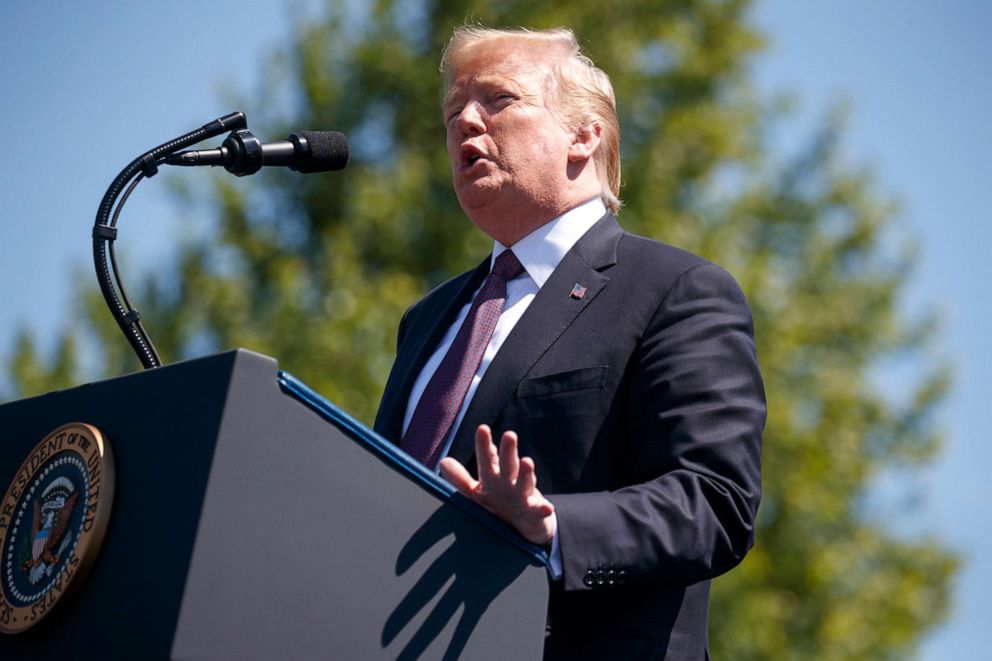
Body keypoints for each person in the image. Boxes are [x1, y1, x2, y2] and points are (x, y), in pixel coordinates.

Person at [373, 25, 765, 660]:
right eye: (452, 112)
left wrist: (550, 523)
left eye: (498, 100)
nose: (465, 121)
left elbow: (713, 503)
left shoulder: (673, 291)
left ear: (584, 135)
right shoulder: (429, 318)